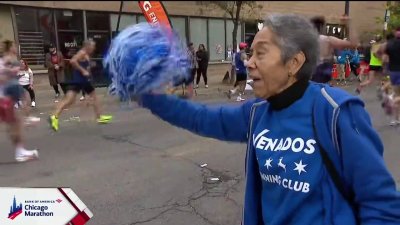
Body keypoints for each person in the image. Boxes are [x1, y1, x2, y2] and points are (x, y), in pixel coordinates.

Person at [137, 14, 400, 224]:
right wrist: (149, 97)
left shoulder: (337, 112)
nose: (249, 63)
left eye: (260, 53)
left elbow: (381, 205)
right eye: (250, 54)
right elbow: (202, 118)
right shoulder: (256, 113)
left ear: (294, 63)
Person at [48, 40, 112, 131]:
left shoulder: (86, 54)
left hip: (83, 80)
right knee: (69, 100)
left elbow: (84, 65)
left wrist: (89, 68)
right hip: (79, 80)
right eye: (92, 46)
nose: (94, 48)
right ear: (87, 46)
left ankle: (99, 117)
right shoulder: (82, 52)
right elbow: (73, 61)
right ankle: (54, 116)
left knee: (91, 97)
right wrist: (83, 71)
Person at [0, 40, 38, 162]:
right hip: (4, 98)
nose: (16, 48)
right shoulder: (4, 61)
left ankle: (20, 152)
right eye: (14, 46)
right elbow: (3, 78)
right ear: (10, 48)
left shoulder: (8, 60)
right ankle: (20, 152)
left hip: (7, 98)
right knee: (14, 125)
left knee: (15, 124)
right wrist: (9, 73)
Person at [310, 15, 359, 84]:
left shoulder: (303, 40)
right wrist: (349, 24)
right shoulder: (327, 40)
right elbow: (353, 44)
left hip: (308, 74)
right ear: (322, 27)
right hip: (321, 74)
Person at [377, 28, 400, 126]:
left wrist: (384, 59)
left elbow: (378, 52)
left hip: (393, 71)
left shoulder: (389, 44)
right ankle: (391, 99)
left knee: (397, 94)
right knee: (397, 97)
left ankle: (396, 119)